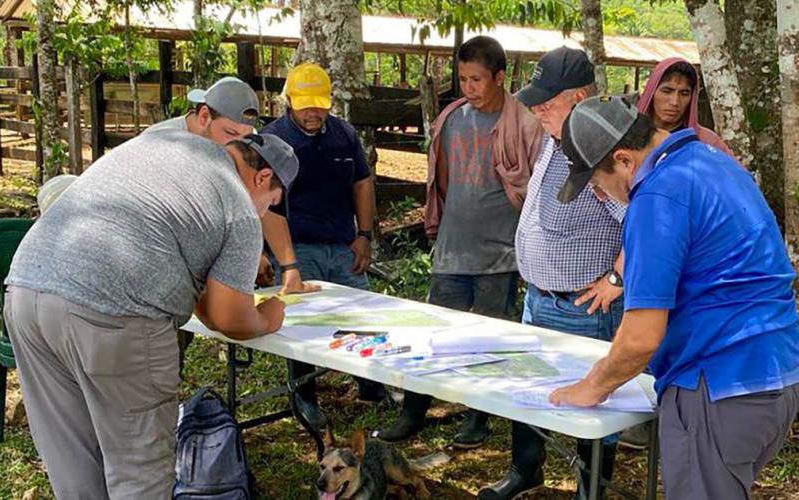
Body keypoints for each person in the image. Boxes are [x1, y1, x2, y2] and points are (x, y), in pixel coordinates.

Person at [4, 129, 297, 498]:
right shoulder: (237, 203)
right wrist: (271, 314)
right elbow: (228, 319)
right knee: (139, 467)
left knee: (71, 457)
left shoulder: (162, 144)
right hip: (115, 311)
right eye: (270, 202)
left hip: (26, 291)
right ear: (263, 177)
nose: (264, 211)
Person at [551, 95, 799, 500]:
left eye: (597, 183)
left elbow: (641, 338)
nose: (601, 194)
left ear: (625, 161)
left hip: (717, 385)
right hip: (777, 375)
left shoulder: (656, 198)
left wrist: (593, 385)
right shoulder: (709, 160)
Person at [377, 35, 543, 448]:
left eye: (478, 79)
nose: (469, 87)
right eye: (463, 78)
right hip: (453, 248)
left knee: (488, 340)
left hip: (499, 254)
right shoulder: (451, 119)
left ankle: (477, 418)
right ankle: (413, 410)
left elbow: (535, 189)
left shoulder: (524, 123)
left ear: (500, 78)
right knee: (433, 334)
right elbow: (443, 183)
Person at [479, 47, 624, 500]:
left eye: (548, 101)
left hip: (581, 307)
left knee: (594, 401)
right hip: (538, 297)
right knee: (527, 388)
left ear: (580, 96)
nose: (537, 109)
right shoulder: (556, 136)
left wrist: (618, 279)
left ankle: (591, 486)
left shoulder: (604, 148)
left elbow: (644, 221)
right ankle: (526, 470)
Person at [260, 62, 382, 429]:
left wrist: (364, 235)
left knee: (361, 314)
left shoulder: (344, 135)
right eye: (305, 104)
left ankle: (369, 381)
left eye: (319, 104)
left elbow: (362, 183)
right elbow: (261, 203)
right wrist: (279, 259)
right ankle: (304, 396)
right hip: (296, 248)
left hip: (342, 244)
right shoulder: (272, 140)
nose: (313, 112)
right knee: (302, 324)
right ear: (289, 102)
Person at [145, 76, 317, 296]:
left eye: (245, 137)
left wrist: (286, 266)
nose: (236, 145)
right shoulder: (161, 142)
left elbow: (260, 199)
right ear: (205, 116)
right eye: (230, 134)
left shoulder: (243, 141)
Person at [637, 57, 732, 155]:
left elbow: (733, 169)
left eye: (684, 93)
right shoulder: (629, 134)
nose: (675, 102)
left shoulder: (707, 141)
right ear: (651, 92)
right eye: (667, 91)